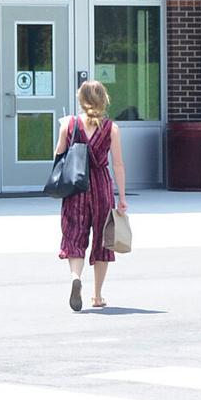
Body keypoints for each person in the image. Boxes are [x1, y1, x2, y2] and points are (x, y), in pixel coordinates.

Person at [56, 79, 127, 311]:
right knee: (103, 240)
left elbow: (59, 154)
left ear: (80, 99)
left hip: (77, 187)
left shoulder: (69, 124)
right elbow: (118, 165)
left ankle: (76, 277)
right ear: (104, 99)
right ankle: (97, 295)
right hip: (101, 186)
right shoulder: (111, 129)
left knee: (74, 234)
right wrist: (122, 198)